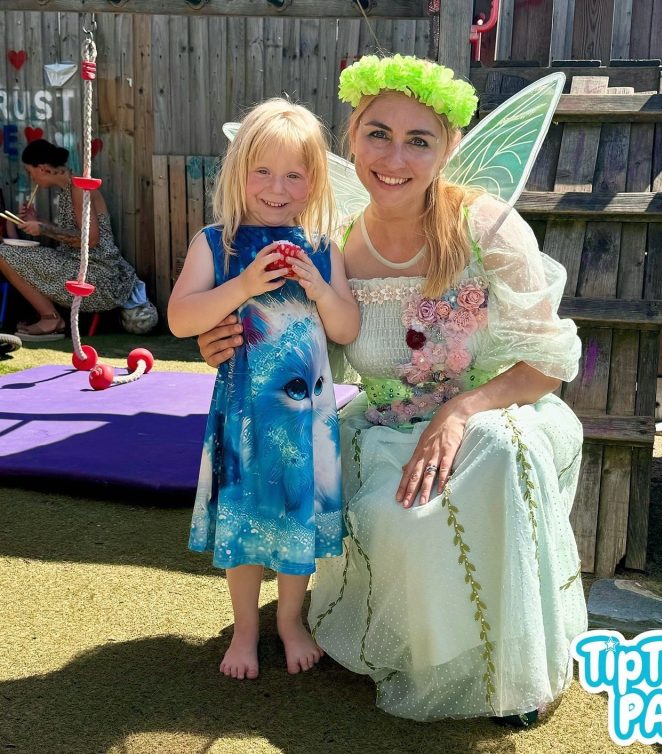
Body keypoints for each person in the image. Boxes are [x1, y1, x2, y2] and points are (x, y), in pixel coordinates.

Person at [198, 56, 587, 723]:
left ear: (448, 149)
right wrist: (221, 340)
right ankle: (435, 658)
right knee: (397, 520)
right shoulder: (335, 247)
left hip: (503, 413)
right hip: (386, 432)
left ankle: (510, 672)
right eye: (377, 133)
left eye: (419, 140)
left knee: (497, 447)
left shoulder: (488, 228)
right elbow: (294, 335)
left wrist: (462, 411)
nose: (394, 157)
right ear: (350, 142)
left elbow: (547, 366)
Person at [168, 99, 360, 680]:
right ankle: (246, 631)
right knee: (247, 523)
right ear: (237, 173)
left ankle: (290, 620)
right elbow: (181, 318)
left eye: (294, 176)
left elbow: (345, 327)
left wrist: (320, 288)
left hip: (305, 421)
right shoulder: (217, 242)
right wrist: (245, 283)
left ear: (313, 183)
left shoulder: (324, 246)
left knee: (297, 518)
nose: (277, 188)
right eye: (262, 172)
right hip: (244, 420)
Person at [0, 138, 151, 341]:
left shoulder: (80, 188)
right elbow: (76, 231)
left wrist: (43, 228)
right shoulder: (69, 189)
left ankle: (51, 318)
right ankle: (49, 317)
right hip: (81, 267)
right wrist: (38, 221)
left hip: (98, 277)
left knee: (3, 254)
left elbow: (91, 240)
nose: (31, 177)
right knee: (7, 253)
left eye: (30, 171)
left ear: (43, 168)